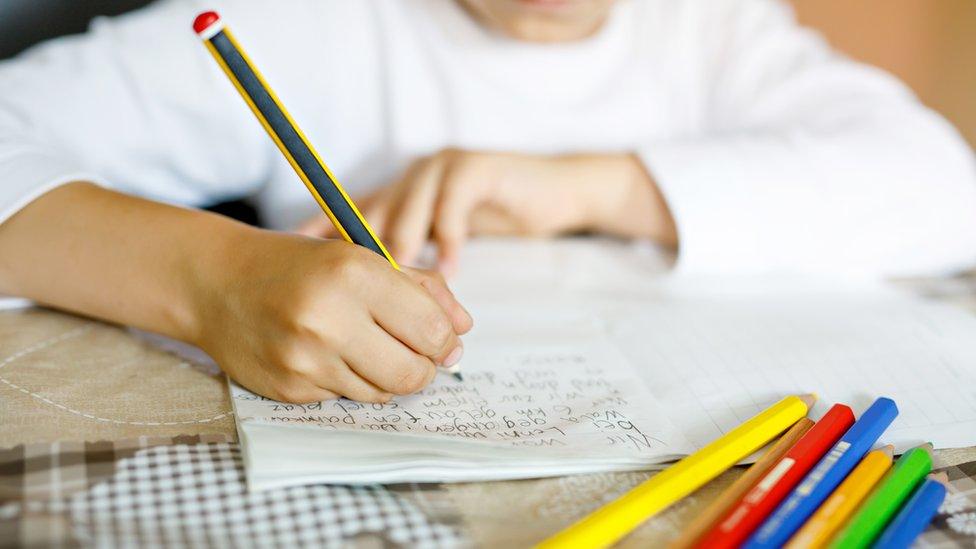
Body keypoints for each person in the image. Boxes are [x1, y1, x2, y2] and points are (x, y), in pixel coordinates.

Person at [0, 0, 973, 403]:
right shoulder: (305, 22)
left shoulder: (708, 25)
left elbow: (945, 191)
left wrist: (588, 186)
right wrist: (208, 279)